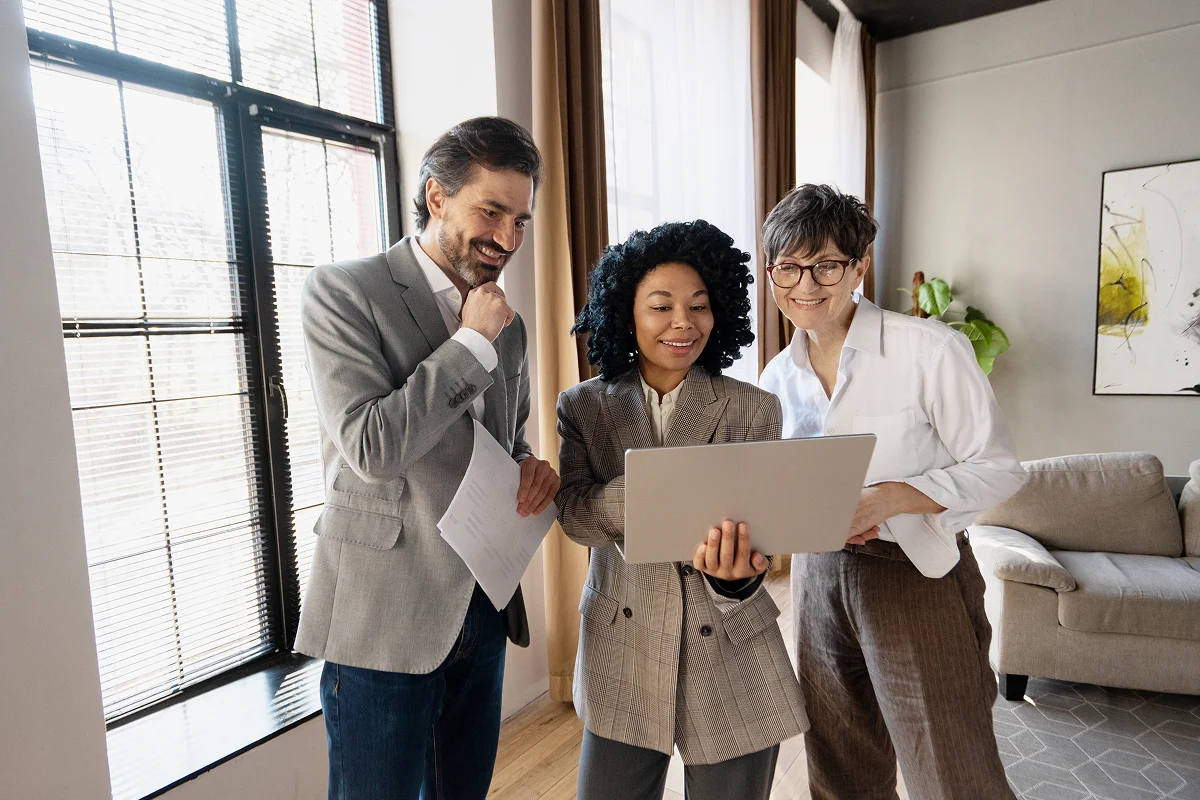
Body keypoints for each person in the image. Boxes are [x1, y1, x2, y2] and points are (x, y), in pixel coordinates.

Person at [294, 117, 560, 800]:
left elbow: (507, 436)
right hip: (385, 609)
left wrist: (528, 463)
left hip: (482, 602)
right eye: (491, 211)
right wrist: (470, 344)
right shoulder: (343, 292)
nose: (507, 239)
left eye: (521, 220)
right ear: (437, 196)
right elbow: (372, 448)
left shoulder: (510, 324)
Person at [758, 184, 1027, 800]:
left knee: (952, 769)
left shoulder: (930, 350)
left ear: (859, 265)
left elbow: (1001, 467)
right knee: (839, 761)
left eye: (826, 265)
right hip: (817, 578)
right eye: (788, 267)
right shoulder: (778, 376)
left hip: (915, 577)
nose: (805, 285)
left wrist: (896, 496)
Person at [555, 220, 809, 800]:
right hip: (622, 649)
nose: (682, 322)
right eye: (661, 305)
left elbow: (761, 533)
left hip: (731, 648)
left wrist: (739, 575)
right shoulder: (585, 407)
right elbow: (572, 513)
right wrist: (657, 487)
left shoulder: (754, 408)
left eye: (699, 305)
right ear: (628, 314)